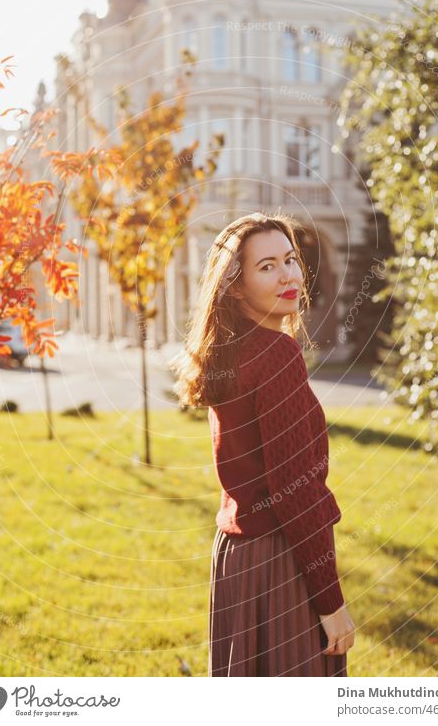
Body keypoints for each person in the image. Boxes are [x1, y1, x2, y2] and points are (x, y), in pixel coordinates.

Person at [170, 211, 355, 676]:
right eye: (267, 266)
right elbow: (296, 492)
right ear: (234, 285)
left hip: (236, 560)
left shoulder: (229, 352)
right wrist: (330, 604)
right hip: (279, 563)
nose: (288, 275)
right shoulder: (276, 355)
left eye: (290, 259)